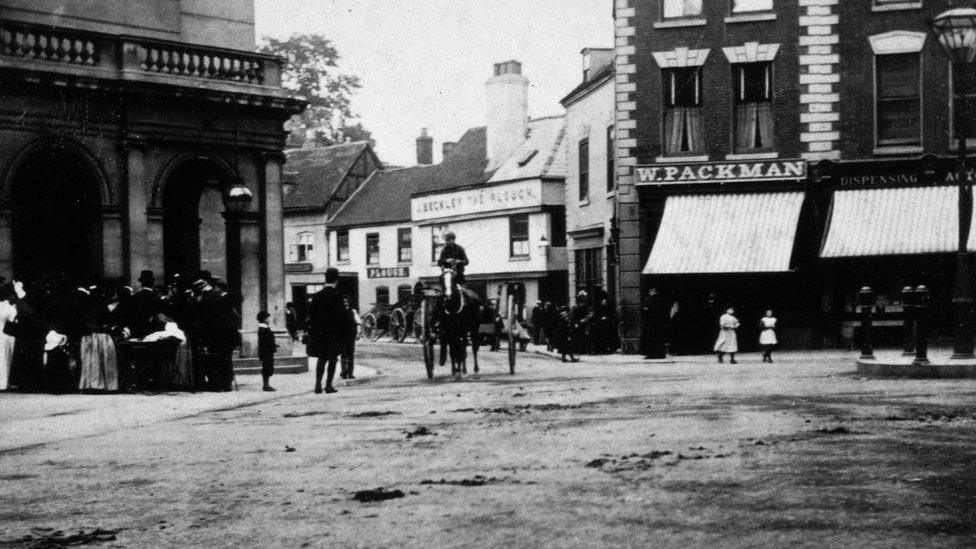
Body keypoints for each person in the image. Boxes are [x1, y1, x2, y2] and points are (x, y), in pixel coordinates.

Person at [191, 274, 240, 392]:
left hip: (216, 333)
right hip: (225, 333)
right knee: (224, 359)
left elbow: (208, 319)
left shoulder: (208, 298)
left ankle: (218, 384)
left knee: (217, 358)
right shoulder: (218, 296)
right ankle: (225, 384)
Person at [306, 267, 351, 394]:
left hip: (320, 334)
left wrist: (314, 332)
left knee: (321, 359)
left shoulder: (316, 296)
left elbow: (311, 317)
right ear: (336, 280)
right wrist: (344, 334)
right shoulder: (338, 296)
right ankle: (328, 386)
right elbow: (342, 317)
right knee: (332, 359)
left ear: (325, 279)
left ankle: (317, 386)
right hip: (334, 334)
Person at [127, 270, 161, 339]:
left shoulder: (134, 297)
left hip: (136, 333)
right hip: (152, 335)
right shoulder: (156, 298)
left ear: (141, 282)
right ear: (153, 283)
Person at [641, 288, 668, 359]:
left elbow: (645, 311)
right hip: (659, 322)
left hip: (651, 323)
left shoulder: (648, 299)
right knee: (659, 338)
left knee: (651, 339)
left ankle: (652, 354)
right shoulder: (661, 299)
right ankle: (661, 354)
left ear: (651, 292)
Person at [340, 296, 360, 380]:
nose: (345, 303)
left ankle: (350, 373)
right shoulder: (339, 312)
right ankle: (344, 372)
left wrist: (358, 333)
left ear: (348, 302)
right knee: (343, 354)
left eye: (346, 301)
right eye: (343, 301)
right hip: (342, 336)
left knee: (351, 354)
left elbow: (358, 322)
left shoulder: (353, 311)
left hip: (351, 336)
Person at [257, 311, 278, 392]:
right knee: (267, 368)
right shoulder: (263, 328)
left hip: (267, 351)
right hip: (266, 352)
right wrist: (273, 345)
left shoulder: (264, 328)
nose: (268, 320)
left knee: (268, 368)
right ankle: (266, 386)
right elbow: (266, 341)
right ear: (264, 319)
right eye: (267, 318)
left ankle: (266, 385)